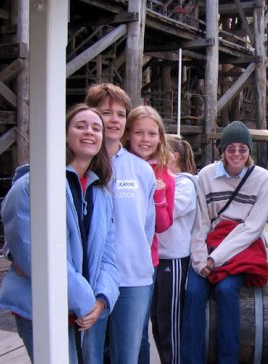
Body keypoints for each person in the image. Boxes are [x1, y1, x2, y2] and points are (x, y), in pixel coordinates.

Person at [0, 104, 120, 363]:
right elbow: (32, 252)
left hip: (82, 311)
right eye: (80, 126)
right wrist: (86, 300)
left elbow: (108, 253)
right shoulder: (31, 185)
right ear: (64, 134)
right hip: (42, 309)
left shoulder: (101, 191)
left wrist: (102, 299)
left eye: (96, 128)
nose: (89, 132)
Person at [181, 120, 268, 364]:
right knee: (193, 293)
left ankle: (228, 359)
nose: (236, 154)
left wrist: (215, 258)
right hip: (210, 241)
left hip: (241, 246)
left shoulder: (263, 179)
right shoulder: (206, 176)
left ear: (249, 151)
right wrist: (201, 260)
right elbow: (199, 223)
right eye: (230, 148)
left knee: (226, 290)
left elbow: (252, 228)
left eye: (242, 149)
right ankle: (191, 360)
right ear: (222, 150)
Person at [85, 84, 157, 364]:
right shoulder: (82, 163)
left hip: (133, 279)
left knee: (126, 356)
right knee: (90, 355)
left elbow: (146, 227)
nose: (114, 119)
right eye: (105, 112)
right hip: (90, 280)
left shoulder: (141, 170)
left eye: (120, 114)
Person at [121, 105, 176, 364]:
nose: (145, 140)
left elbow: (163, 225)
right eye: (139, 133)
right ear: (128, 134)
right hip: (111, 259)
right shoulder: (113, 165)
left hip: (144, 262)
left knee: (137, 332)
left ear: (160, 138)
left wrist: (158, 195)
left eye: (152, 134)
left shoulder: (165, 175)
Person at [152, 135, 197, 364]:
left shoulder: (185, 184)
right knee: (158, 322)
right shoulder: (160, 181)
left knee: (170, 321)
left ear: (174, 156)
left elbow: (168, 212)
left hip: (174, 259)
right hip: (156, 260)